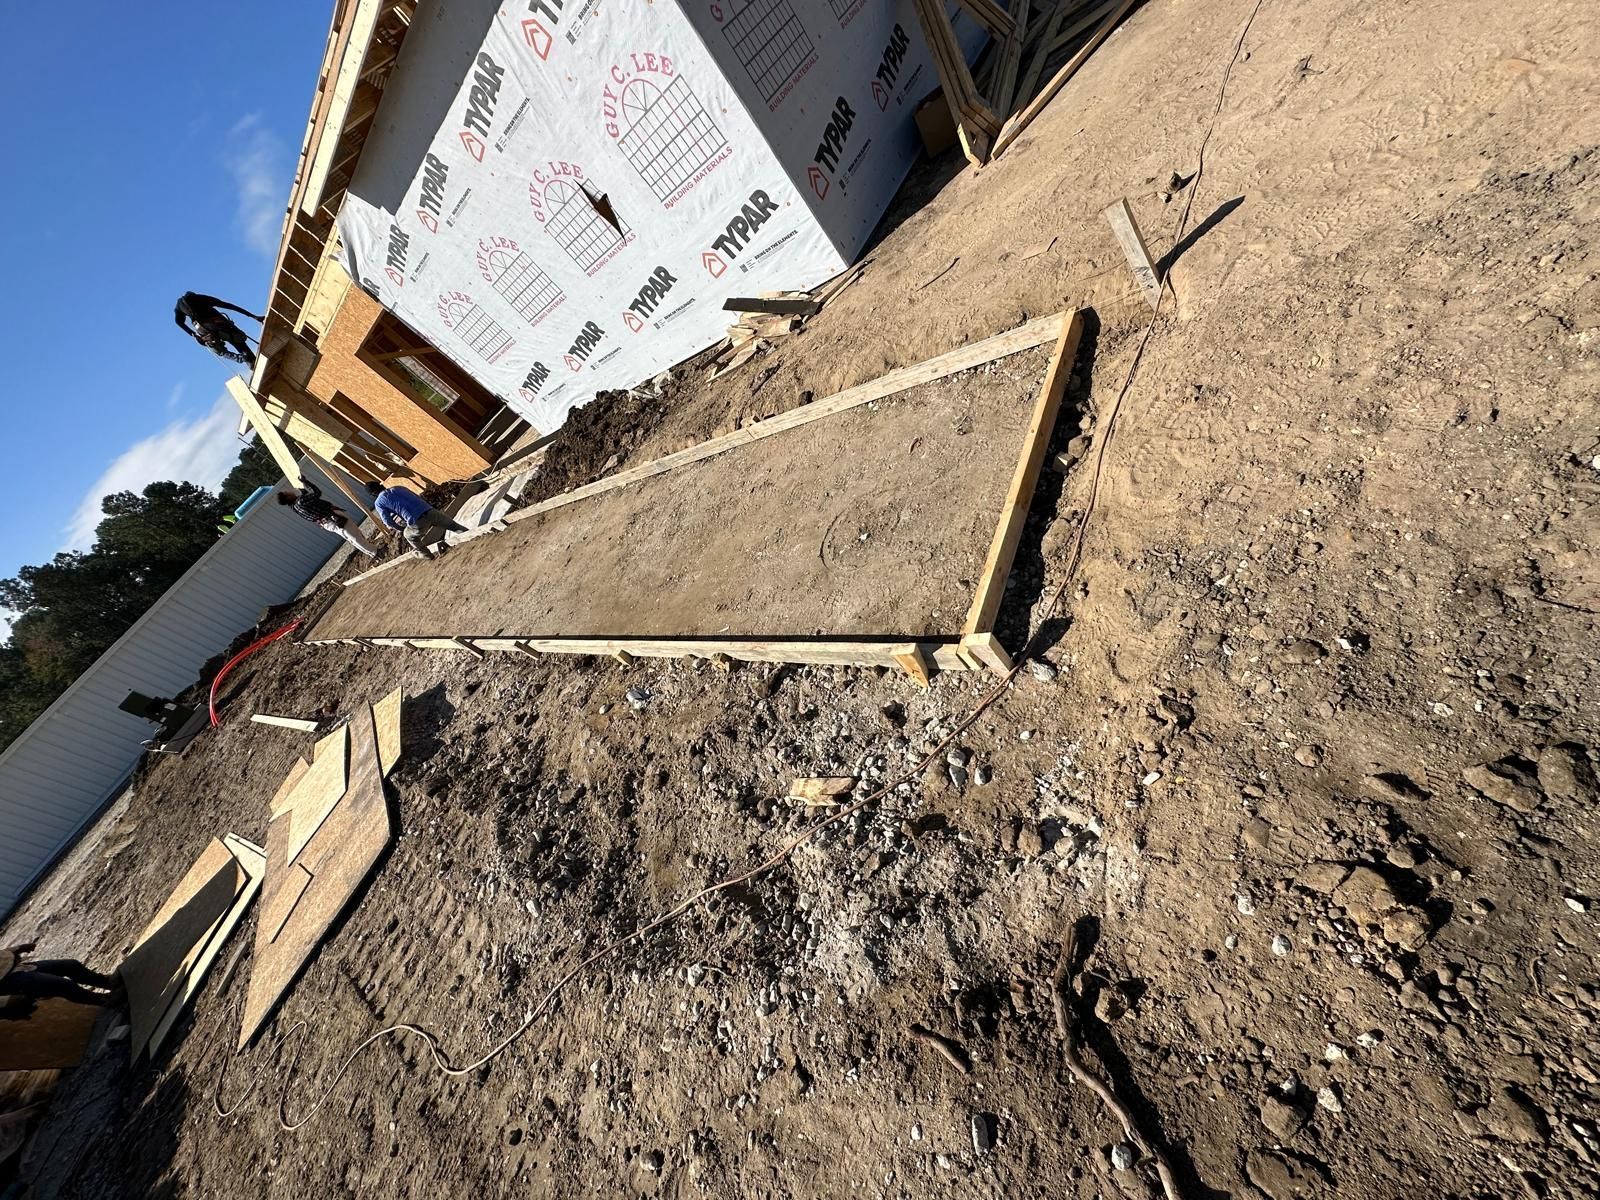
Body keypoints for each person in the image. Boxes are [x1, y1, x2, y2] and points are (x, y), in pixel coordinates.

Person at [0, 943, 120, 1015]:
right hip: (7, 982)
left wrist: (17, 948)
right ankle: (105, 1000)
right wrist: (5, 1001)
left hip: (17, 967)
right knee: (63, 985)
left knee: (71, 965)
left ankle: (109, 983)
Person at [276, 481, 379, 558]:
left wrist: (303, 490)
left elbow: (308, 498)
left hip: (326, 523)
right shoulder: (301, 502)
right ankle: (375, 552)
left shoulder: (294, 507)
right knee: (354, 535)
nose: (290, 492)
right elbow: (317, 493)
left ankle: (371, 552)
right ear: (288, 497)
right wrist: (305, 482)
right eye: (287, 493)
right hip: (333, 518)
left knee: (351, 537)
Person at [366, 481, 466, 559]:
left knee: (408, 535)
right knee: (454, 526)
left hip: (416, 521)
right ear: (380, 485)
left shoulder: (379, 503)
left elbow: (388, 522)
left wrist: (401, 528)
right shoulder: (398, 488)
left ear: (372, 494)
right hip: (430, 511)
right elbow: (417, 496)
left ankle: (427, 555)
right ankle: (470, 534)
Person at [174, 291, 263, 364]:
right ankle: (251, 361)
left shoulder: (179, 306)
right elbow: (229, 306)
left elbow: (178, 322)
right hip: (217, 323)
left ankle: (239, 358)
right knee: (238, 341)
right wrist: (253, 316)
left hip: (202, 330)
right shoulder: (201, 298)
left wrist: (193, 334)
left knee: (220, 351)